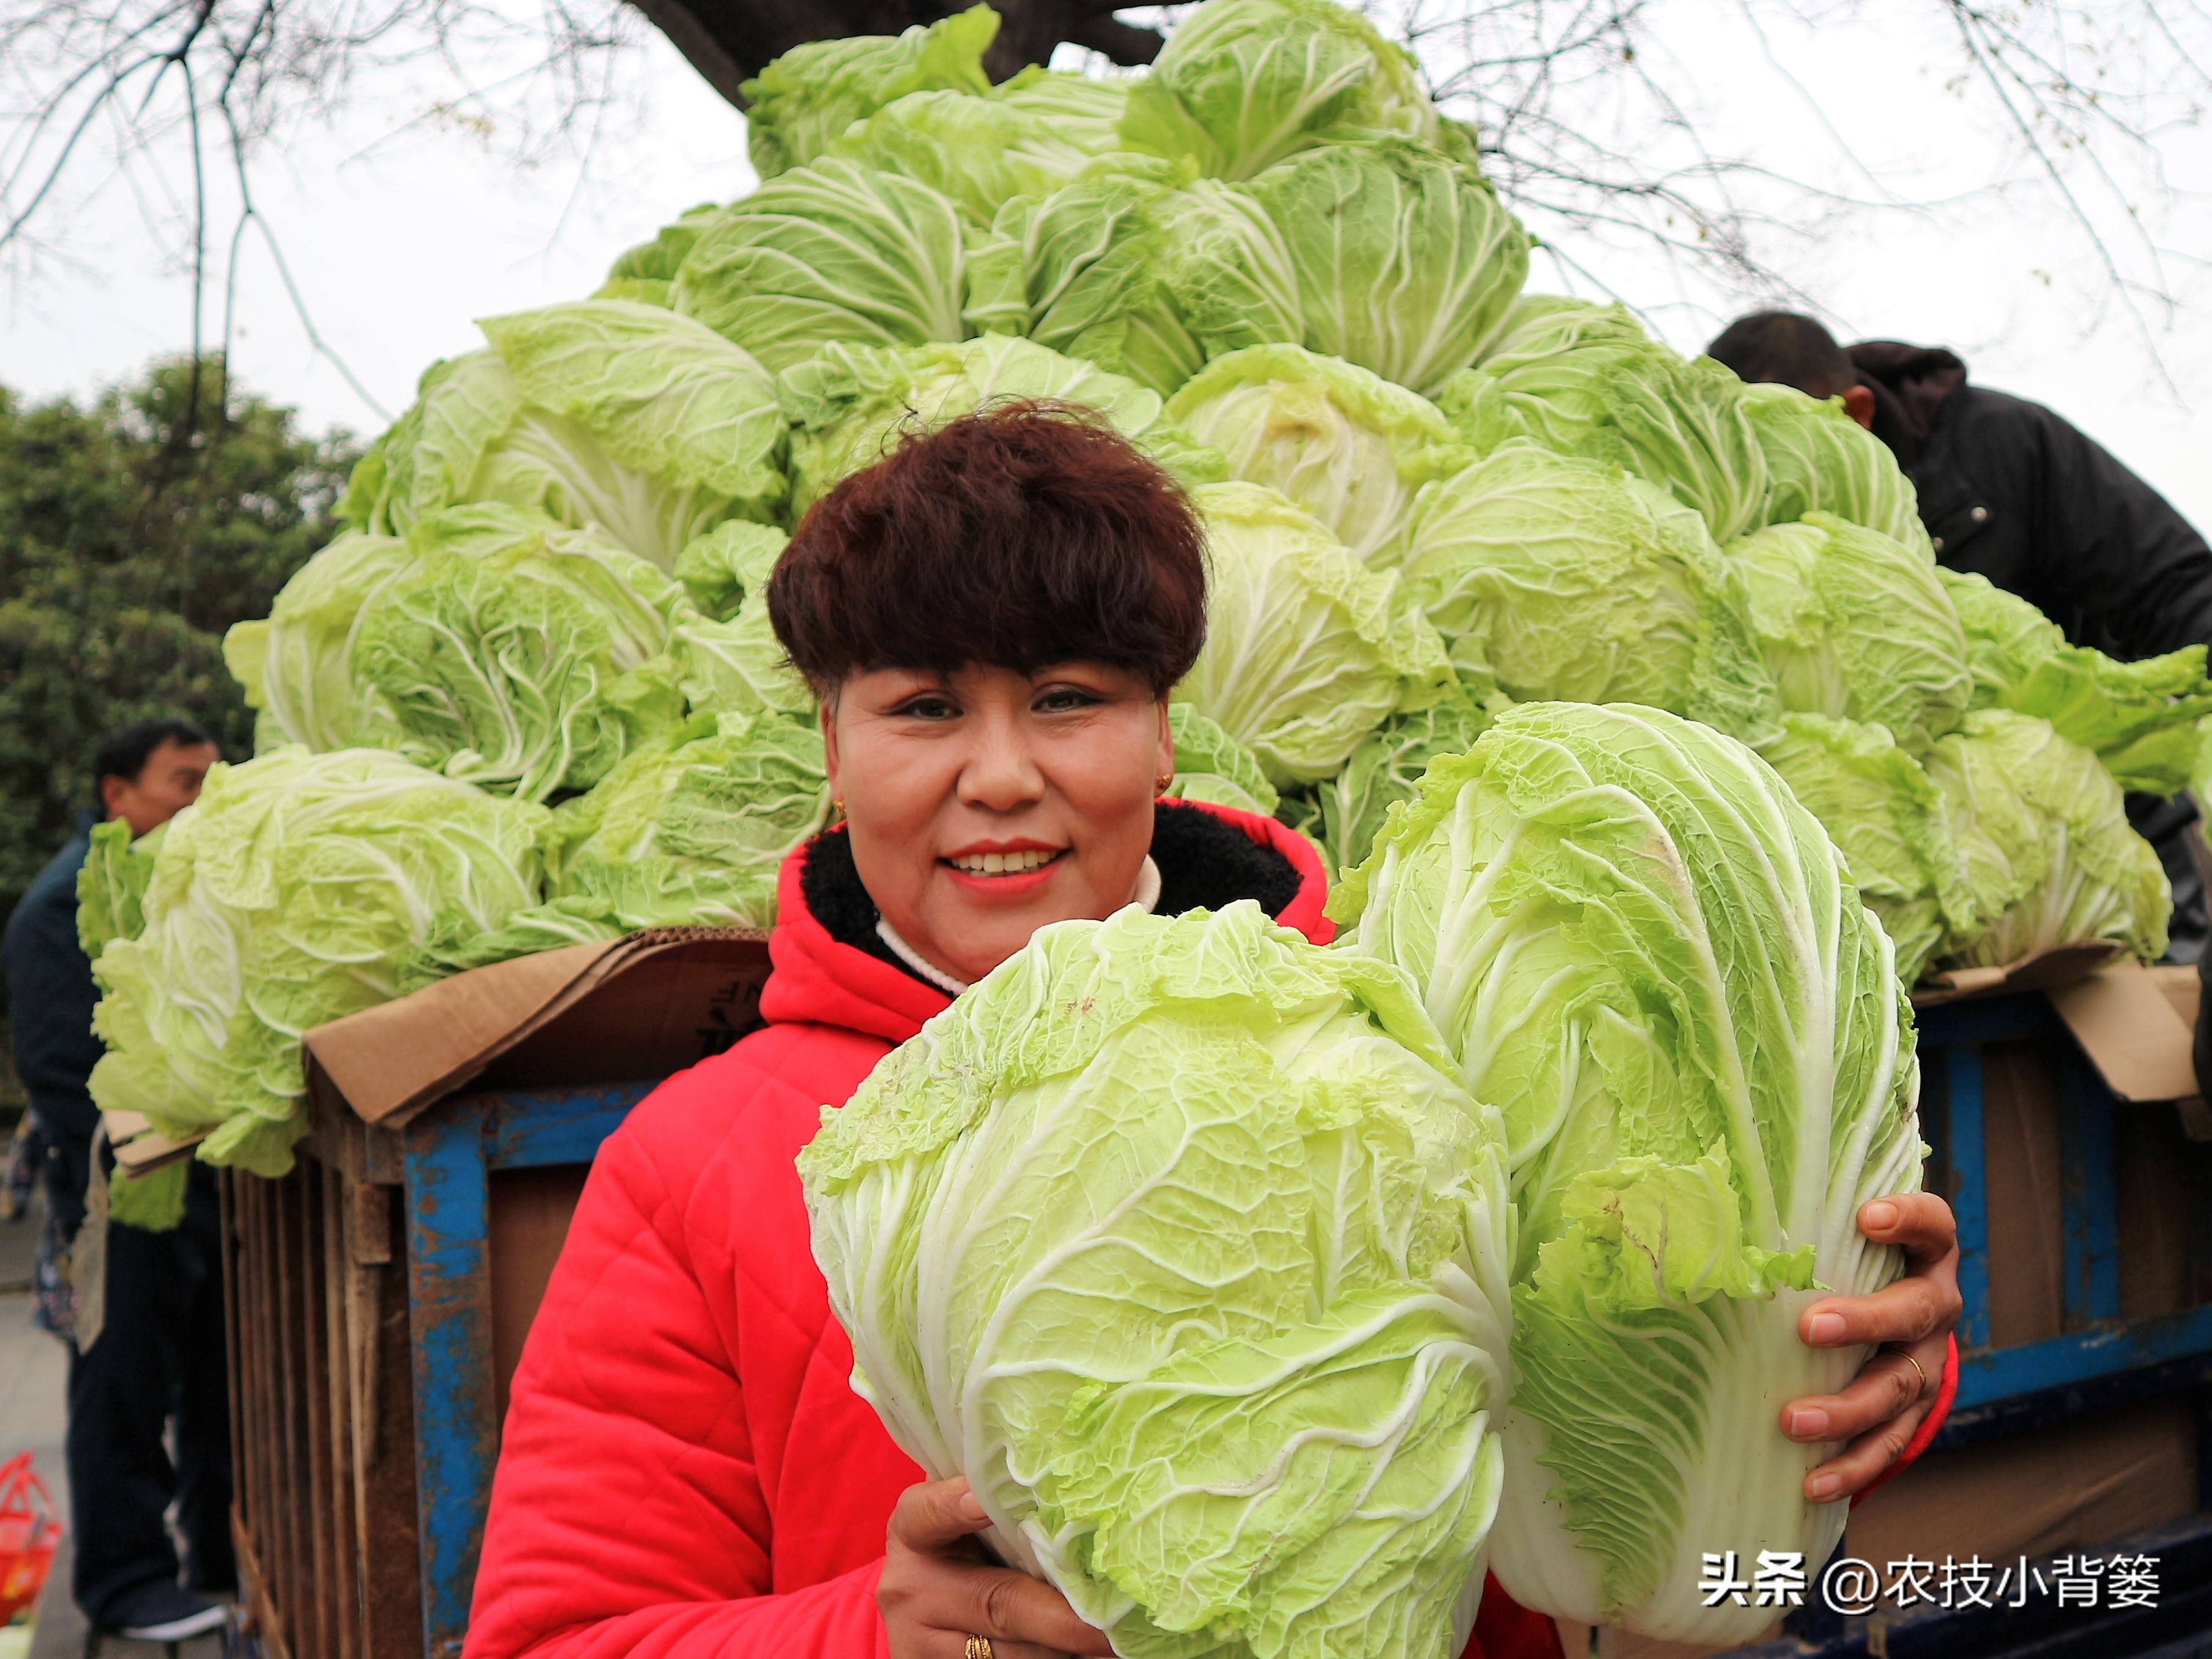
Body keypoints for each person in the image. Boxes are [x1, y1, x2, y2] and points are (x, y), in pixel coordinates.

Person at [463, 405, 1962, 1659]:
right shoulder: (694, 1159)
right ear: (831, 742)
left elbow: (1656, 1391)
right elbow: (558, 1636)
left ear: (1167, 729)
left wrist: (1851, 1346)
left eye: (1067, 698)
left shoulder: (1426, 1037)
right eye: (923, 708)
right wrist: (870, 1632)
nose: (998, 776)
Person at [1707, 310, 2212, 961]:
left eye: (1777, 442)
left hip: (2104, 831)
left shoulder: (2006, 442)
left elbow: (2172, 583)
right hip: (1909, 879)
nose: (1765, 469)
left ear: (1855, 413)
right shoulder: (1752, 507)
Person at [1, 717, 233, 1644]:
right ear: (117, 793)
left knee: (216, 1387)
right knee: (121, 1385)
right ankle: (126, 1579)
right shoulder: (60, 907)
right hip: (111, 1202)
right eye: (183, 780)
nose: (201, 800)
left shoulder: (171, 886)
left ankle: (214, 1561)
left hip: (195, 1183)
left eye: (212, 780)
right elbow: (66, 1078)